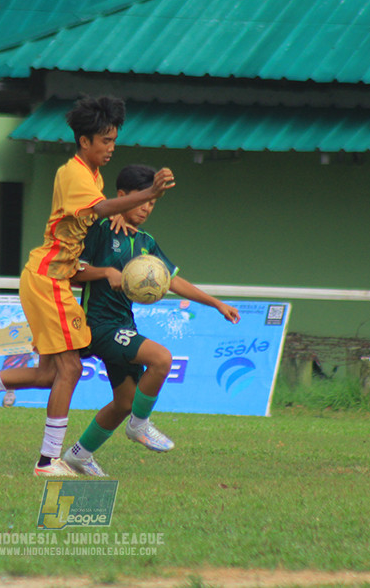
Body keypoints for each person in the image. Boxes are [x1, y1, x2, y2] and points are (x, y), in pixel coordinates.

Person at [0, 96, 175, 476]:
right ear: (85, 141)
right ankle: (48, 461)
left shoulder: (92, 174)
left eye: (114, 140)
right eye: (105, 141)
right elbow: (98, 210)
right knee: (70, 370)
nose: (111, 148)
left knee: (52, 373)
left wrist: (125, 219)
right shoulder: (75, 174)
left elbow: (99, 214)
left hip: (54, 279)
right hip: (48, 278)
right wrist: (148, 194)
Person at [63, 164, 240, 477]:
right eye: (142, 199)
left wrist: (215, 303)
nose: (146, 207)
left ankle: (79, 455)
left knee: (124, 402)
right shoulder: (101, 231)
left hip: (124, 324)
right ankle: (140, 425)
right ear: (122, 197)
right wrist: (106, 272)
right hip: (99, 324)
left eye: (152, 203)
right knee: (161, 359)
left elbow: (171, 280)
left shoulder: (146, 242)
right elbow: (71, 270)